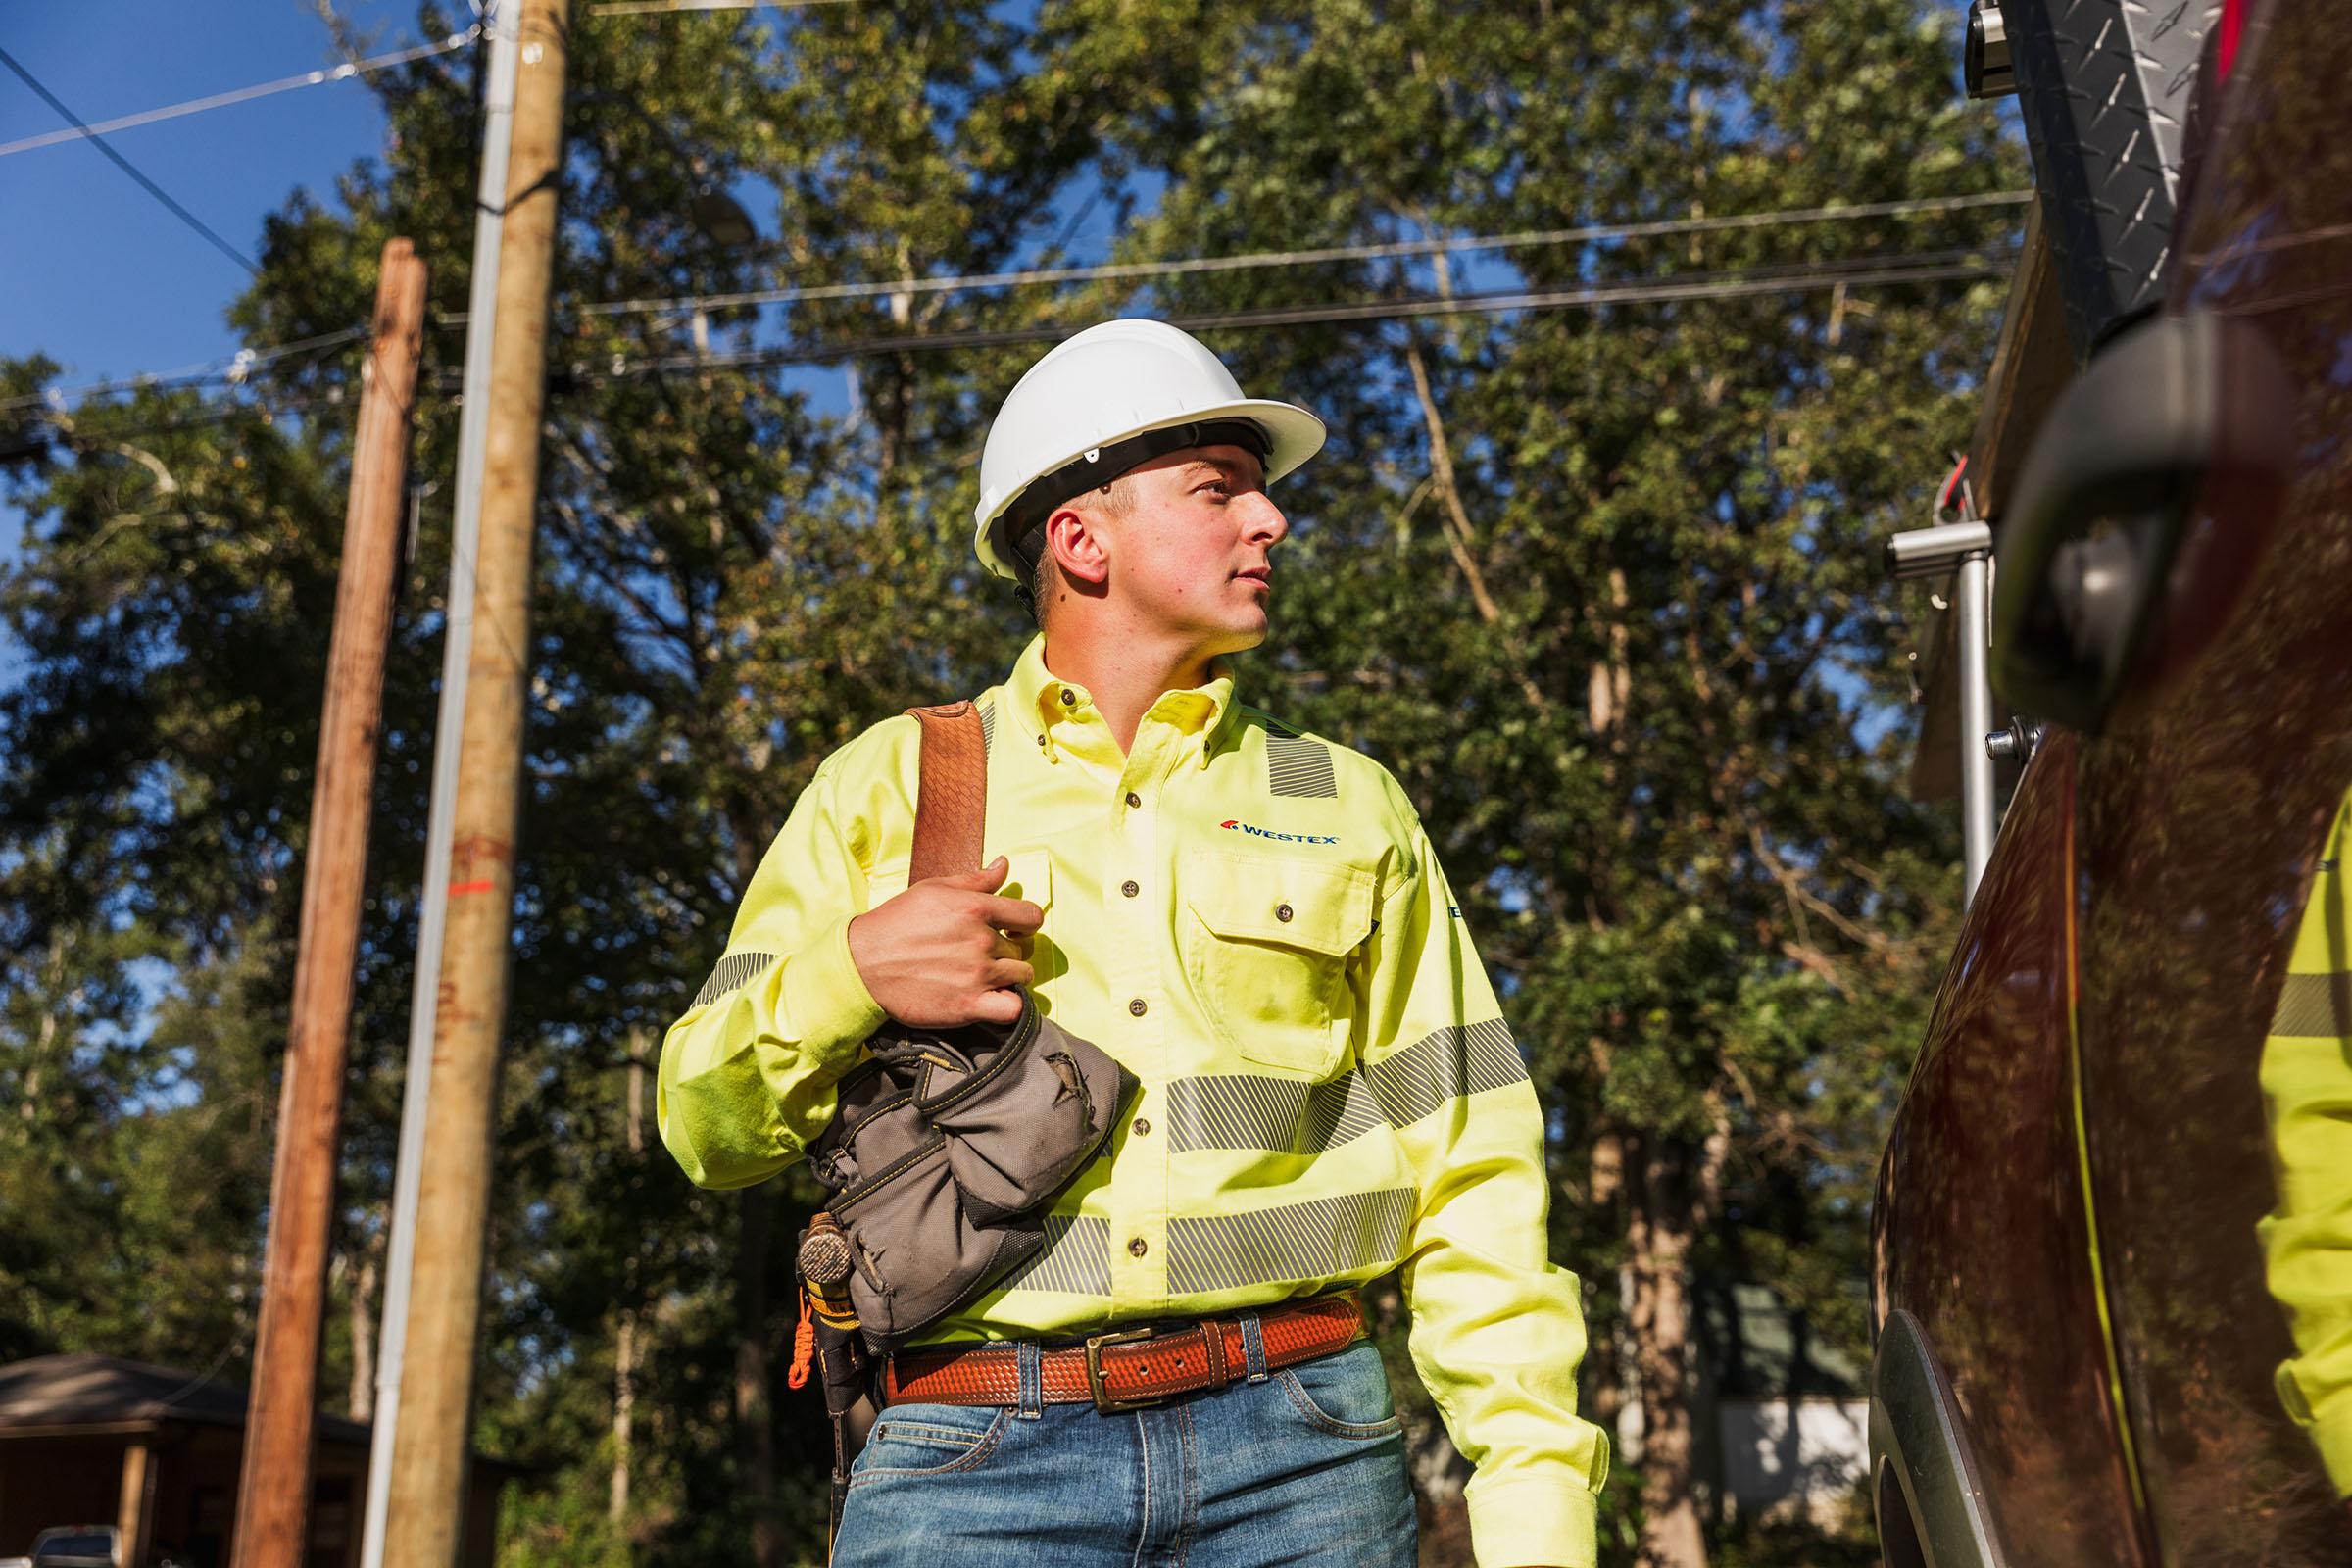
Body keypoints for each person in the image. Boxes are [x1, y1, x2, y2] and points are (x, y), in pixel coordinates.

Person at [657, 318, 1608, 1567]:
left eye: (1260, 495)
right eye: (1220, 490)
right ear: (1081, 539)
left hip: (1306, 1456)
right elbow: (700, 1122)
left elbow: (1476, 1165)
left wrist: (1538, 1511)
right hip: (971, 1466)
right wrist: (852, 975)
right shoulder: (887, 785)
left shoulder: (1348, 800)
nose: (1269, 522)